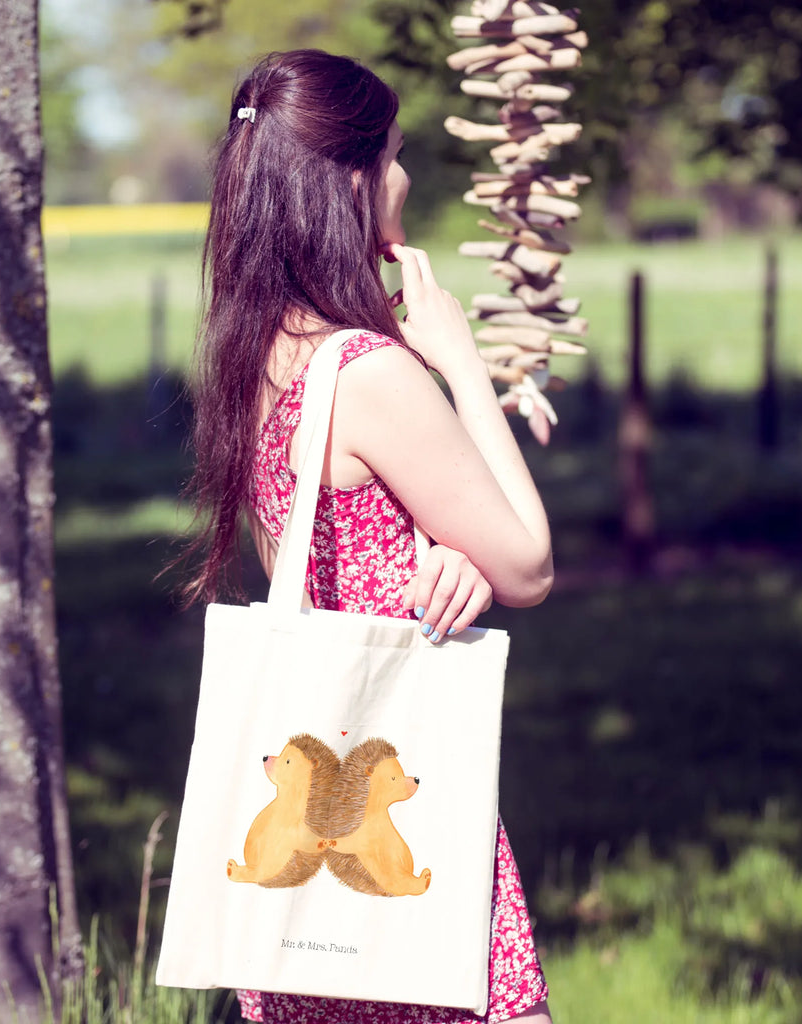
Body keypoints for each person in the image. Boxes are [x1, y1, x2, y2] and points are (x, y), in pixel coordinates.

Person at [182, 48, 555, 1024]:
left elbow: (319, 554)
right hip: (394, 809)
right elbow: (529, 562)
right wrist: (461, 362)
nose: (405, 177)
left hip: (305, 853)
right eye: (392, 154)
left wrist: (437, 556)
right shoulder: (371, 373)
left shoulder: (258, 353)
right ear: (349, 178)